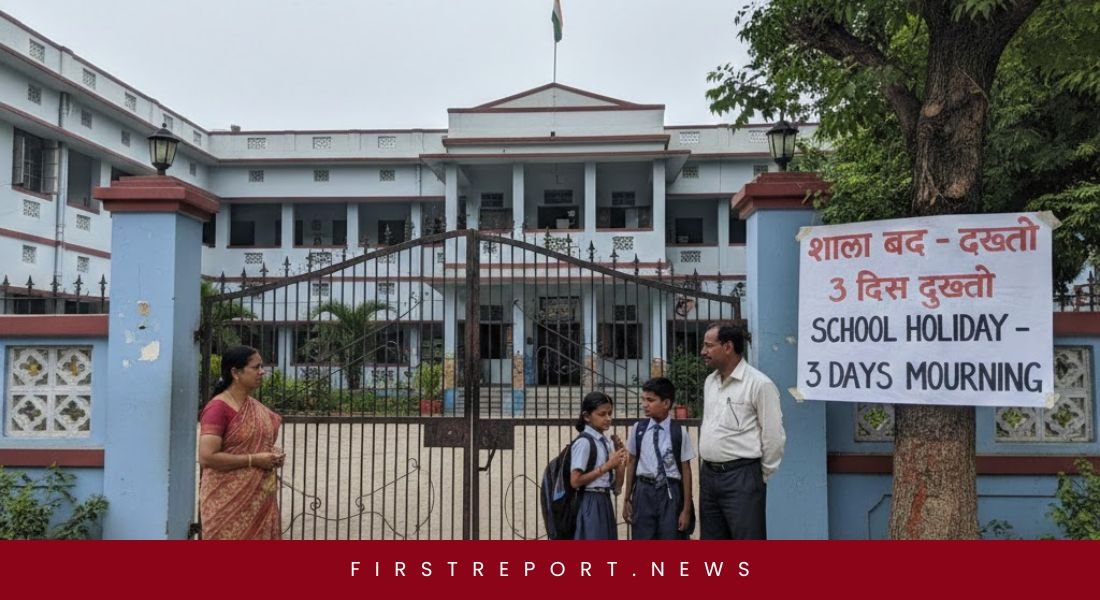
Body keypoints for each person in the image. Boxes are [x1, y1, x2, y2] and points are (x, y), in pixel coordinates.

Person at [698, 323, 785, 540]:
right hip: (709, 476)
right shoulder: (710, 382)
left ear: (728, 346)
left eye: (709, 346)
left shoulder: (760, 384)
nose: (703, 352)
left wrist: (760, 474)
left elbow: (773, 437)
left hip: (742, 478)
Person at [197, 345, 285, 539]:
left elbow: (256, 443)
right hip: (225, 503)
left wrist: (271, 455)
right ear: (235, 372)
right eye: (256, 367)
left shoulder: (254, 408)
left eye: (262, 367)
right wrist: (255, 459)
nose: (262, 372)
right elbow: (206, 457)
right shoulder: (218, 409)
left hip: (258, 499)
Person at [622, 377, 695, 540]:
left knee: (670, 537)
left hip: (669, 492)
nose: (644, 404)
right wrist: (627, 498)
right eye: (643, 399)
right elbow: (632, 462)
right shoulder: (638, 429)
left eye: (650, 400)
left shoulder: (679, 433)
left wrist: (686, 509)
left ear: (666, 403)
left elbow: (686, 471)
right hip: (643, 491)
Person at [570, 391, 628, 540]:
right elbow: (575, 481)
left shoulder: (604, 442)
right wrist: (607, 466)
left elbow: (617, 487)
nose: (608, 418)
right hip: (589, 501)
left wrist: (620, 462)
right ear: (587, 416)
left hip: (604, 500)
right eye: (602, 414)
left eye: (610, 413)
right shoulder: (584, 442)